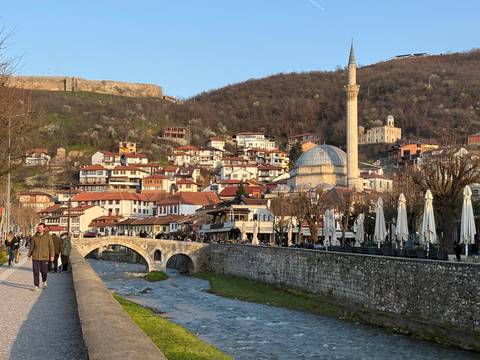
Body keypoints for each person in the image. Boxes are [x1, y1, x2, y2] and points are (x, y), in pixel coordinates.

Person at [28, 223, 54, 291]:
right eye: (38, 227)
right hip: (35, 257)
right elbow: (31, 247)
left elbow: (51, 247)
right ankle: (36, 285)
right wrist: (29, 255)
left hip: (44, 257)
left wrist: (52, 255)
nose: (39, 229)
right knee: (35, 271)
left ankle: (44, 281)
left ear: (44, 228)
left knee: (44, 271)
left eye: (41, 227)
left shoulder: (48, 237)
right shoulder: (34, 237)